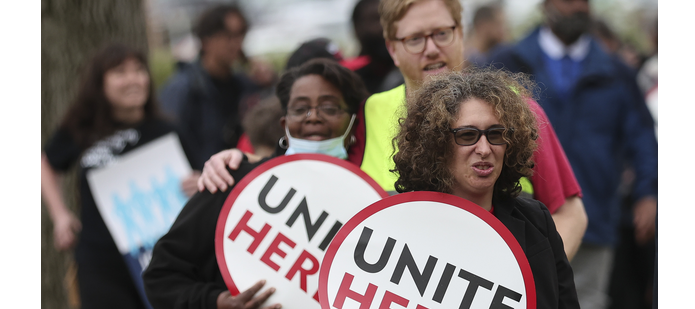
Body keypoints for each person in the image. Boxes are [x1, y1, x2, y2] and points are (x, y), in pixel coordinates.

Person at [317, 67, 608, 309]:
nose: (484, 149)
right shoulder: (394, 227)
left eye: (496, 134)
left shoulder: (535, 223)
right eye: (467, 135)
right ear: (436, 144)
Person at [196, 0, 589, 262]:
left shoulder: (516, 108)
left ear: (461, 33)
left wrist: (534, 281)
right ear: (392, 47)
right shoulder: (368, 113)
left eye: (441, 33)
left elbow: (570, 212)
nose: (430, 49)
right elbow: (310, 176)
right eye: (414, 39)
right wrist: (244, 163)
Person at [142, 58, 368, 309]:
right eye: (300, 107)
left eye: (330, 107)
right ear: (284, 124)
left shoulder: (373, 207)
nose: (313, 117)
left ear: (352, 124)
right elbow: (164, 274)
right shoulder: (234, 184)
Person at [488, 0, 658, 309]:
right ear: (546, 6)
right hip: (517, 219)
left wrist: (649, 193)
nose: (573, 7)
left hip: (594, 213)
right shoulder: (508, 62)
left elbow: (643, 138)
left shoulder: (615, 71)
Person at [40, 43, 189, 309]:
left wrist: (194, 185)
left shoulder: (167, 129)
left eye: (138, 70)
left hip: (156, 271)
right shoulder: (82, 130)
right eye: (120, 72)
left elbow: (195, 184)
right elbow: (45, 162)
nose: (133, 79)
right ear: (101, 82)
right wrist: (59, 215)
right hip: (101, 269)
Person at [159, 4, 257, 169]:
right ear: (206, 41)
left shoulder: (245, 84)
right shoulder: (182, 89)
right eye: (228, 36)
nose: (236, 43)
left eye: (241, 35)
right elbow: (167, 145)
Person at [465, 2, 510, 67]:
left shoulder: (497, 55)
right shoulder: (464, 61)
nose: (503, 30)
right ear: (482, 25)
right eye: (498, 24)